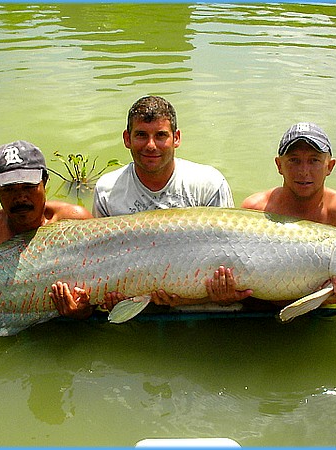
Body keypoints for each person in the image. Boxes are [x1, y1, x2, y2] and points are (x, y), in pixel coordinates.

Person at [92, 96, 253, 307]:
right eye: (141, 135)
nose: (151, 145)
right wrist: (113, 297)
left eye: (161, 136)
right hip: (139, 310)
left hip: (201, 310)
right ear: (127, 139)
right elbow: (100, 261)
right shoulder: (107, 190)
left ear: (176, 138)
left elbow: (228, 258)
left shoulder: (209, 183)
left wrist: (201, 296)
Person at [241, 122, 336, 305]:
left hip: (322, 312)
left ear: (330, 166)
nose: (304, 172)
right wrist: (224, 293)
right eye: (294, 160)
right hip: (260, 310)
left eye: (314, 161)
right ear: (279, 165)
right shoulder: (256, 209)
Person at [0, 140, 94, 318]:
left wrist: (86, 310)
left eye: (28, 187)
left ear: (44, 182)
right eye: (8, 189)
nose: (20, 197)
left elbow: (103, 287)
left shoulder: (76, 221)